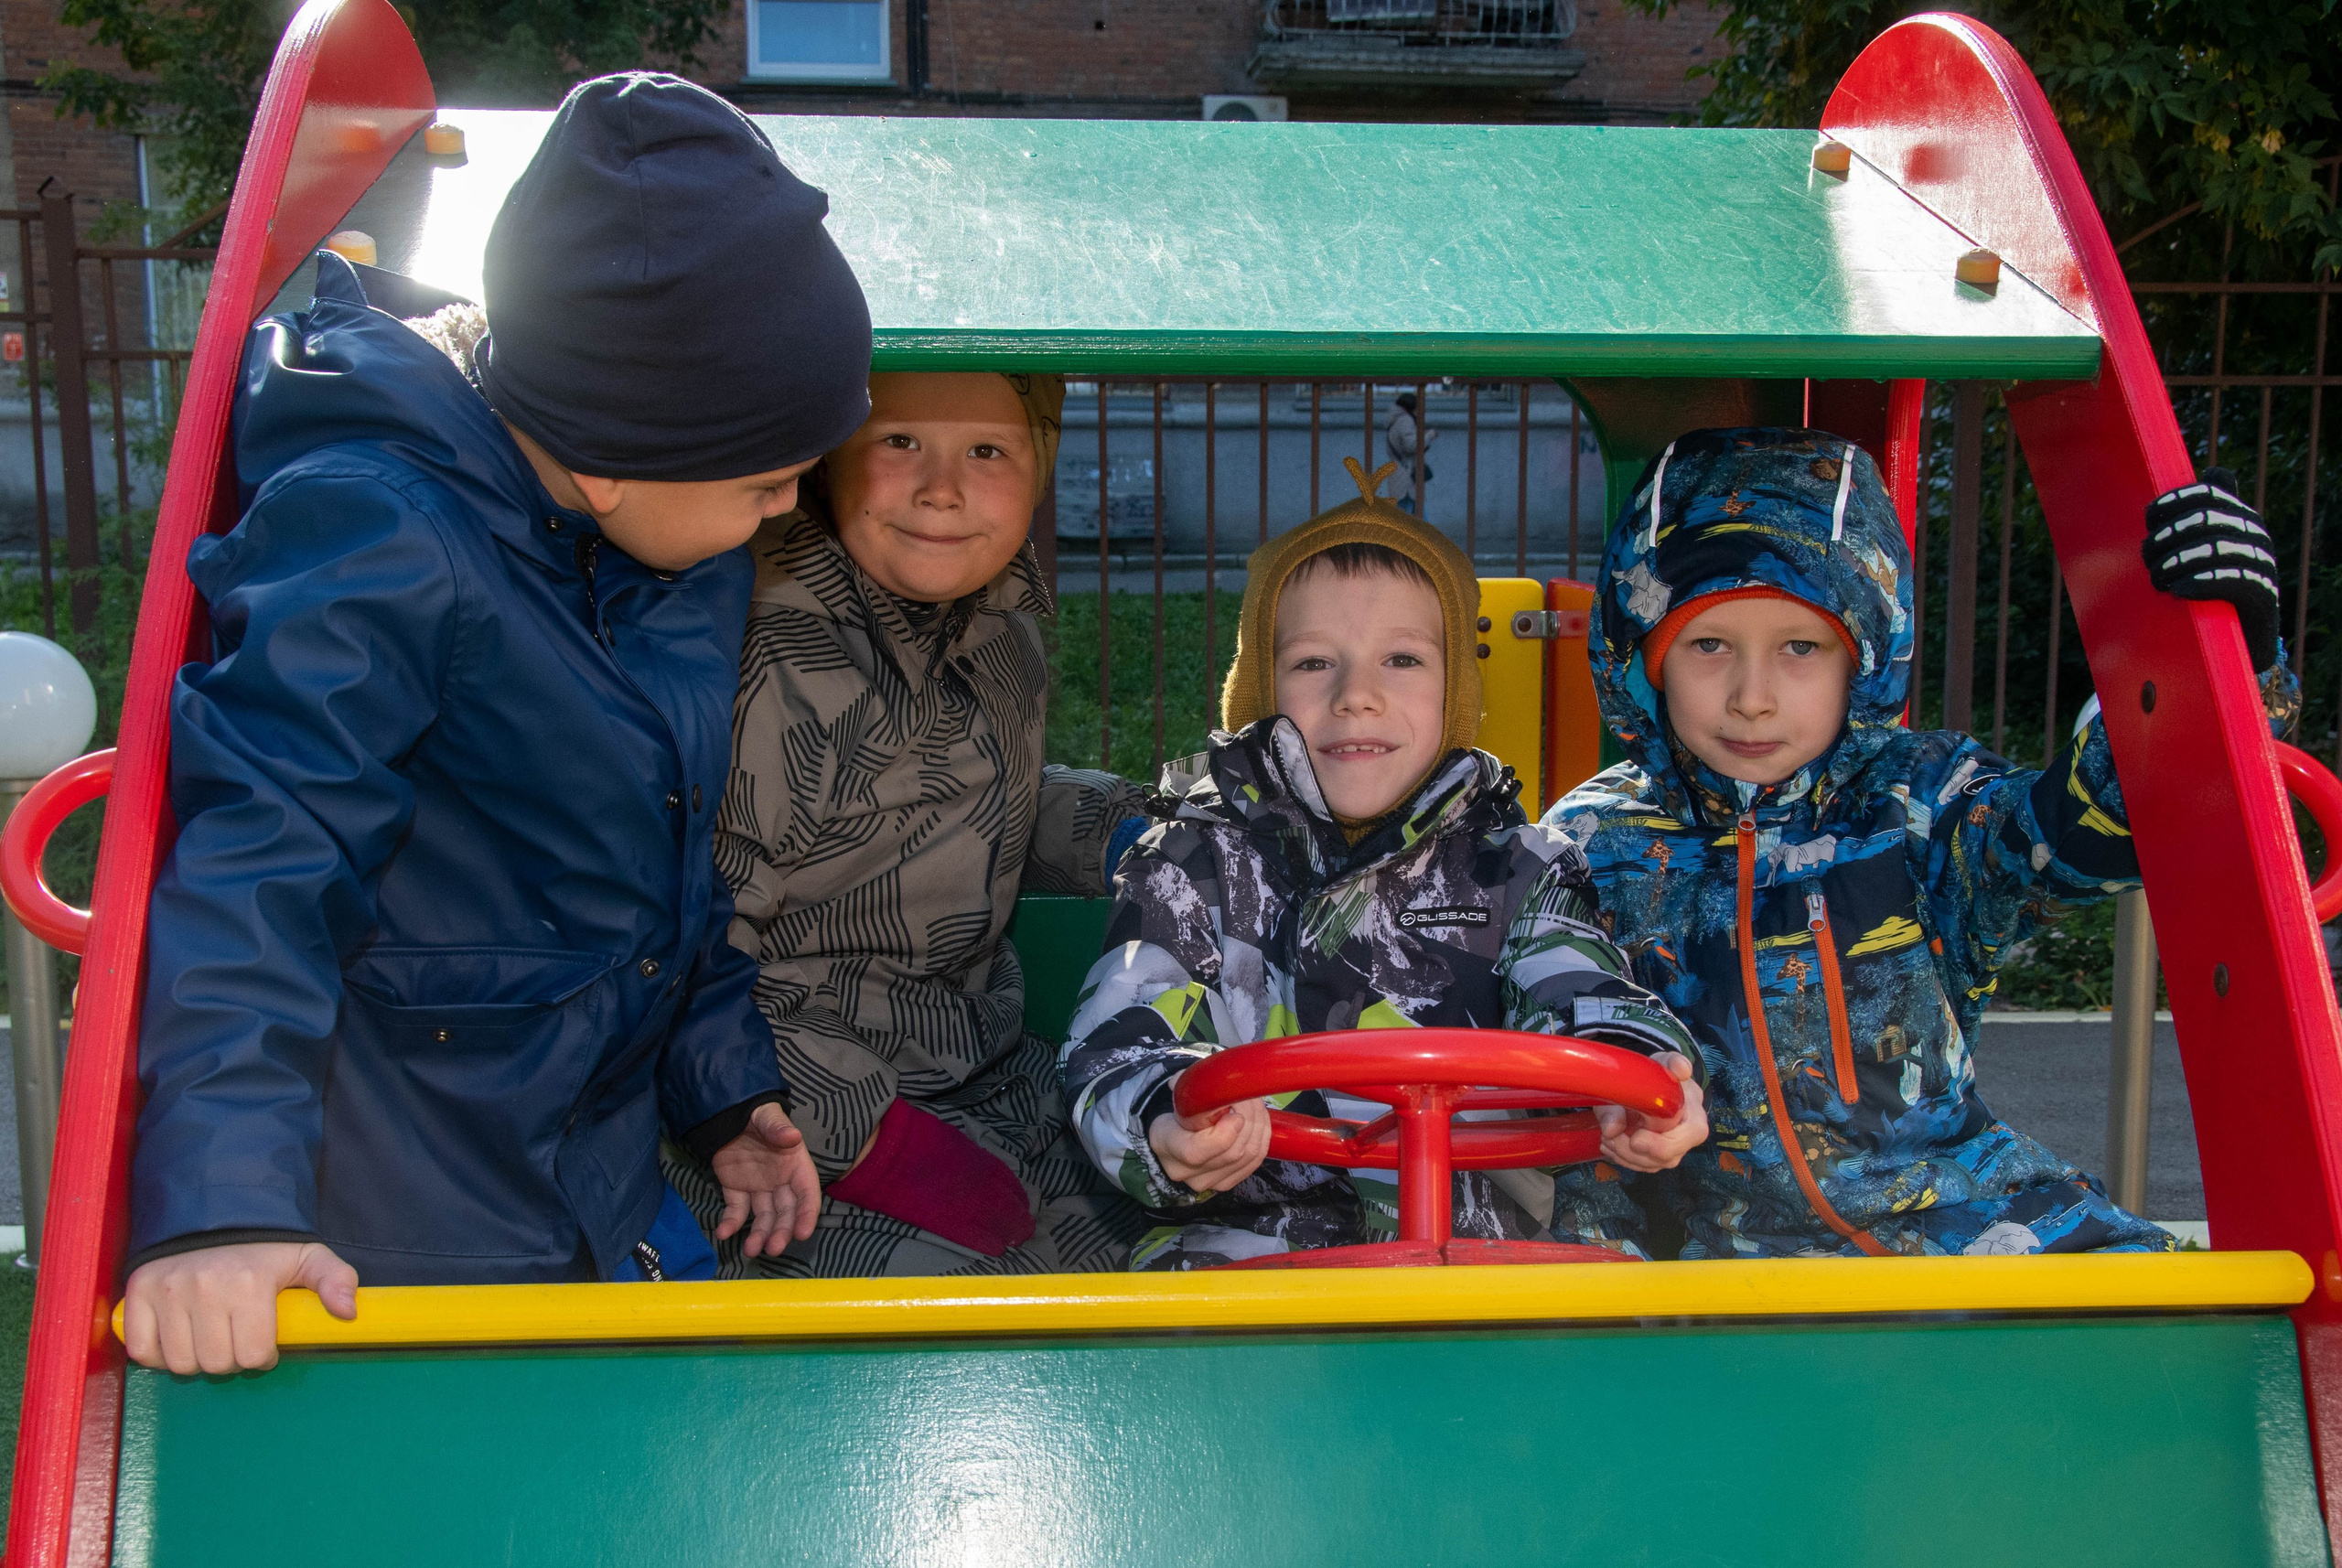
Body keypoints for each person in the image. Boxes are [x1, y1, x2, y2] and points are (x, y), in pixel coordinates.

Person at [122, 73, 868, 1375]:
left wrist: (724, 1088)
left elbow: (653, 876)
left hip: (593, 1175)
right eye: (763, 476)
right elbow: (261, 863)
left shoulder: (668, 556)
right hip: (408, 1226)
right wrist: (224, 1206)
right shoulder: (384, 539)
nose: (789, 506)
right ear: (610, 456)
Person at [1542, 427, 2299, 1258]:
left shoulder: (1919, 803)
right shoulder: (1591, 842)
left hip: (1954, 1225)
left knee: (2176, 1329)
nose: (1751, 697)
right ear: (1645, 661)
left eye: (1800, 647)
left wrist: (2220, 663)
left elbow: (2080, 834)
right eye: (1709, 645)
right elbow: (1543, 1039)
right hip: (1716, 1258)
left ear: (1859, 659)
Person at [1060, 457, 1706, 1270]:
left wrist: (1637, 1073)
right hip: (1251, 1262)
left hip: (1484, 1264)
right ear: (1260, 690)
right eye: (1312, 663)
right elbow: (1122, 1032)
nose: (1356, 694)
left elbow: (1581, 986)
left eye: (1401, 660)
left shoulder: (1524, 870)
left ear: (1455, 695)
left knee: (1627, 1320)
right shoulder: (1193, 866)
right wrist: (1163, 1118)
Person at [664, 370, 1155, 1277]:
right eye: (898, 443)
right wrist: (880, 1143)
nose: (942, 487)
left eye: (986, 452)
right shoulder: (775, 653)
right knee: (998, 1325)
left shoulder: (993, 614)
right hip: (777, 1115)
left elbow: (962, 794)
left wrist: (1121, 835)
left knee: (1165, 1251)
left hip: (978, 1068)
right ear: (830, 460)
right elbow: (687, 950)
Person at [1386, 392, 1436, 516]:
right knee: (1409, 518)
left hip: (1401, 473)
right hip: (1406, 476)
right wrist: (1429, 436)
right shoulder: (1405, 420)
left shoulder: (1397, 420)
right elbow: (1411, 445)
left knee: (1416, 515)